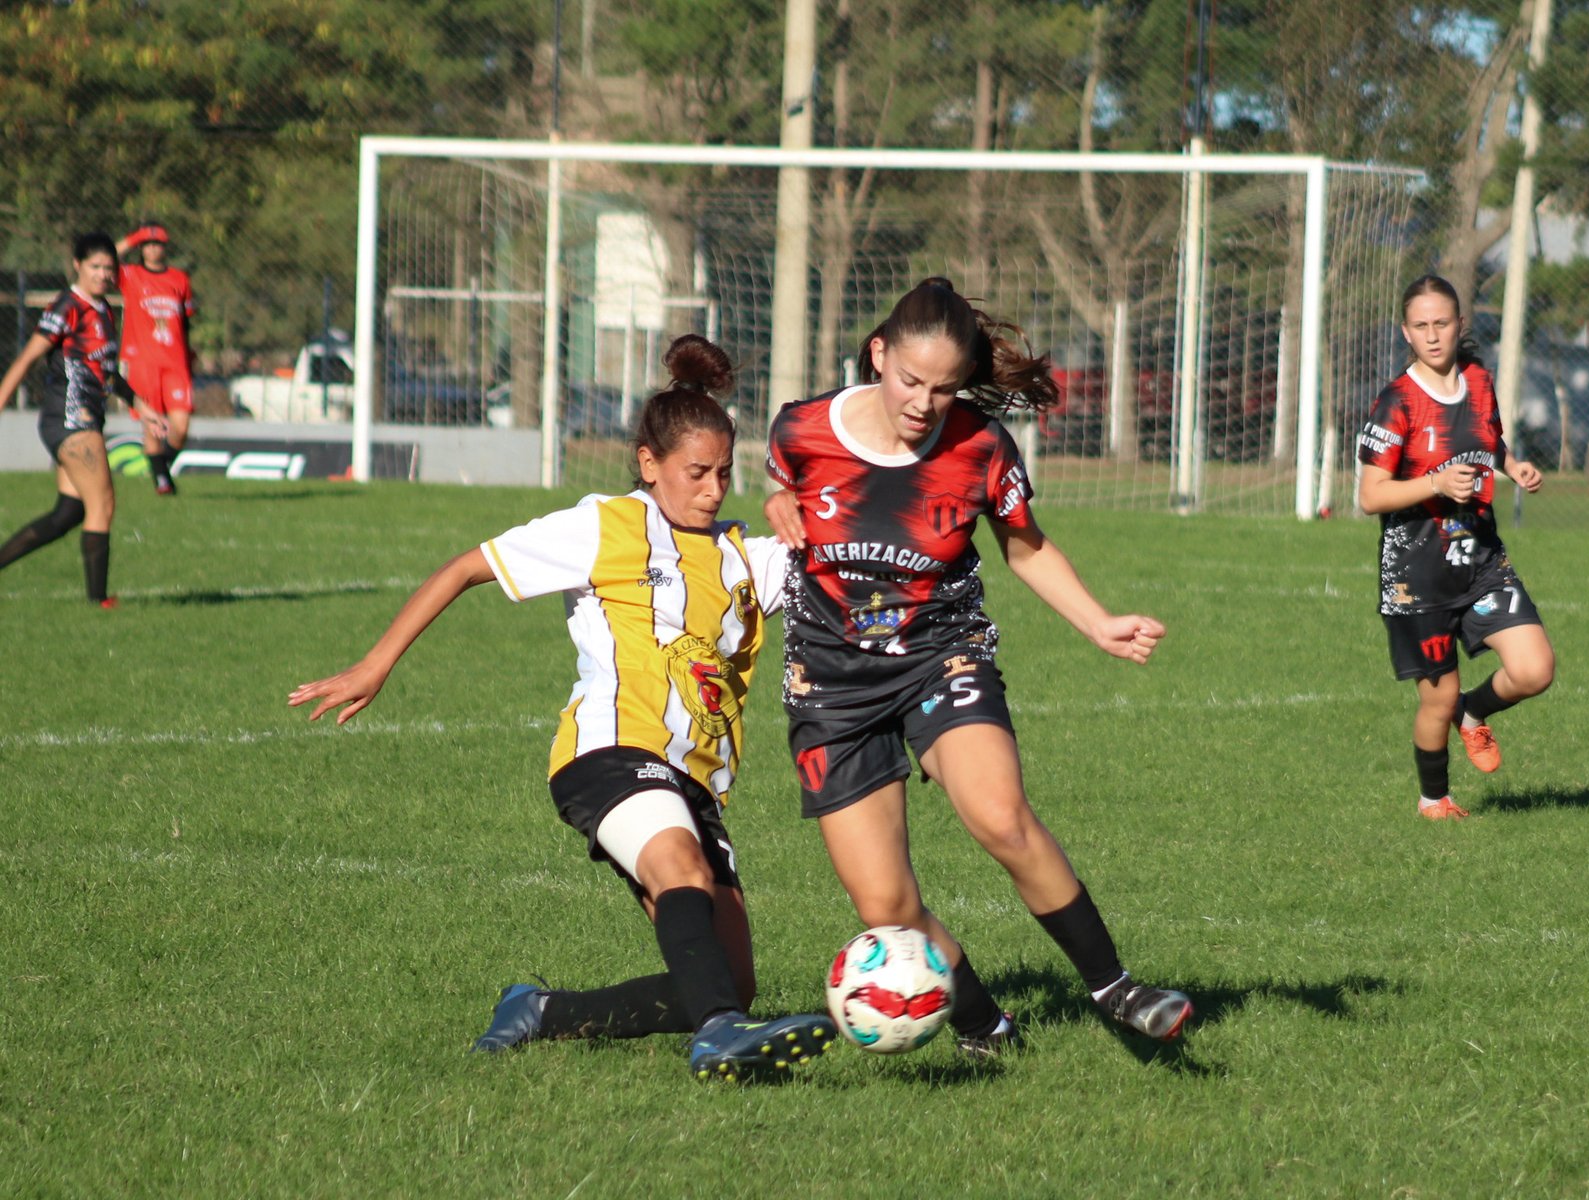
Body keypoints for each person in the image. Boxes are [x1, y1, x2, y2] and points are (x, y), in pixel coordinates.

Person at [289, 335, 836, 1081]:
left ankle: (543, 1013)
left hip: (695, 783)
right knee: (681, 874)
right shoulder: (604, 526)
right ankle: (719, 1039)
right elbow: (466, 568)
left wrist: (800, 500)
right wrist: (375, 664)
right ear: (650, 464)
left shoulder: (746, 559)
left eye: (723, 473)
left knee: (726, 981)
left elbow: (839, 552)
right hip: (608, 754)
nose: (713, 490)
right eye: (696, 473)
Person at [763, 277, 1193, 1053]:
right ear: (878, 354)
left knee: (1000, 816)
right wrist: (776, 501)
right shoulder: (800, 427)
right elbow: (782, 484)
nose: (924, 403)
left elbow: (1025, 548)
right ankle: (984, 1025)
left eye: (944, 388)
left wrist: (1098, 623)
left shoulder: (981, 448)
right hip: (829, 683)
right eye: (910, 381)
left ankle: (1117, 988)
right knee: (885, 906)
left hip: (941, 653)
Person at [1357, 274, 1555, 820]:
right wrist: (1436, 484)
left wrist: (1511, 465)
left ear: (1459, 324)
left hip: (1481, 560)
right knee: (1436, 699)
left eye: (1441, 323)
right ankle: (1435, 800)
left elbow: (1489, 438)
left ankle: (1473, 714)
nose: (1432, 335)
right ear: (1406, 332)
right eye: (1420, 326)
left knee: (1535, 669)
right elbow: (1371, 496)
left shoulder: (1478, 380)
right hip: (1417, 576)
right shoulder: (1397, 402)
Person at [0, 231, 164, 606]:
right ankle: (99, 602)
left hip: (82, 419)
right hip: (71, 419)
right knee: (102, 504)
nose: (104, 274)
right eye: (95, 267)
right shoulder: (67, 307)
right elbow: (27, 358)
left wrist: (143, 407)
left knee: (69, 512)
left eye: (109, 268)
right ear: (77, 265)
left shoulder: (103, 310)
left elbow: (106, 372)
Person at [114, 222, 196, 495]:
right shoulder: (131, 275)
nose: (152, 248)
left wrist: (190, 353)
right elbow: (105, 259)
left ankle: (160, 468)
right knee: (153, 424)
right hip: (143, 362)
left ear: (165, 247)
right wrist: (134, 237)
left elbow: (186, 321)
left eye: (157, 243)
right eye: (147, 244)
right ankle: (162, 482)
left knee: (180, 426)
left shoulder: (179, 279)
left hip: (175, 362)